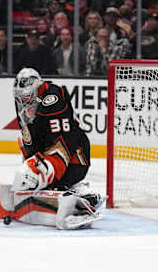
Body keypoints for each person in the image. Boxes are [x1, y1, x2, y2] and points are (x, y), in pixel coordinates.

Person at [11, 68, 104, 229]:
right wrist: (30, 167)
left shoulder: (54, 99)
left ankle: (78, 194)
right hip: (51, 154)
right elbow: (30, 140)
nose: (22, 102)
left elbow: (65, 142)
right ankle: (73, 189)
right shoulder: (24, 102)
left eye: (25, 97)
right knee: (27, 170)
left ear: (36, 89)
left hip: (75, 158)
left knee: (37, 176)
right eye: (18, 98)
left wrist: (45, 172)